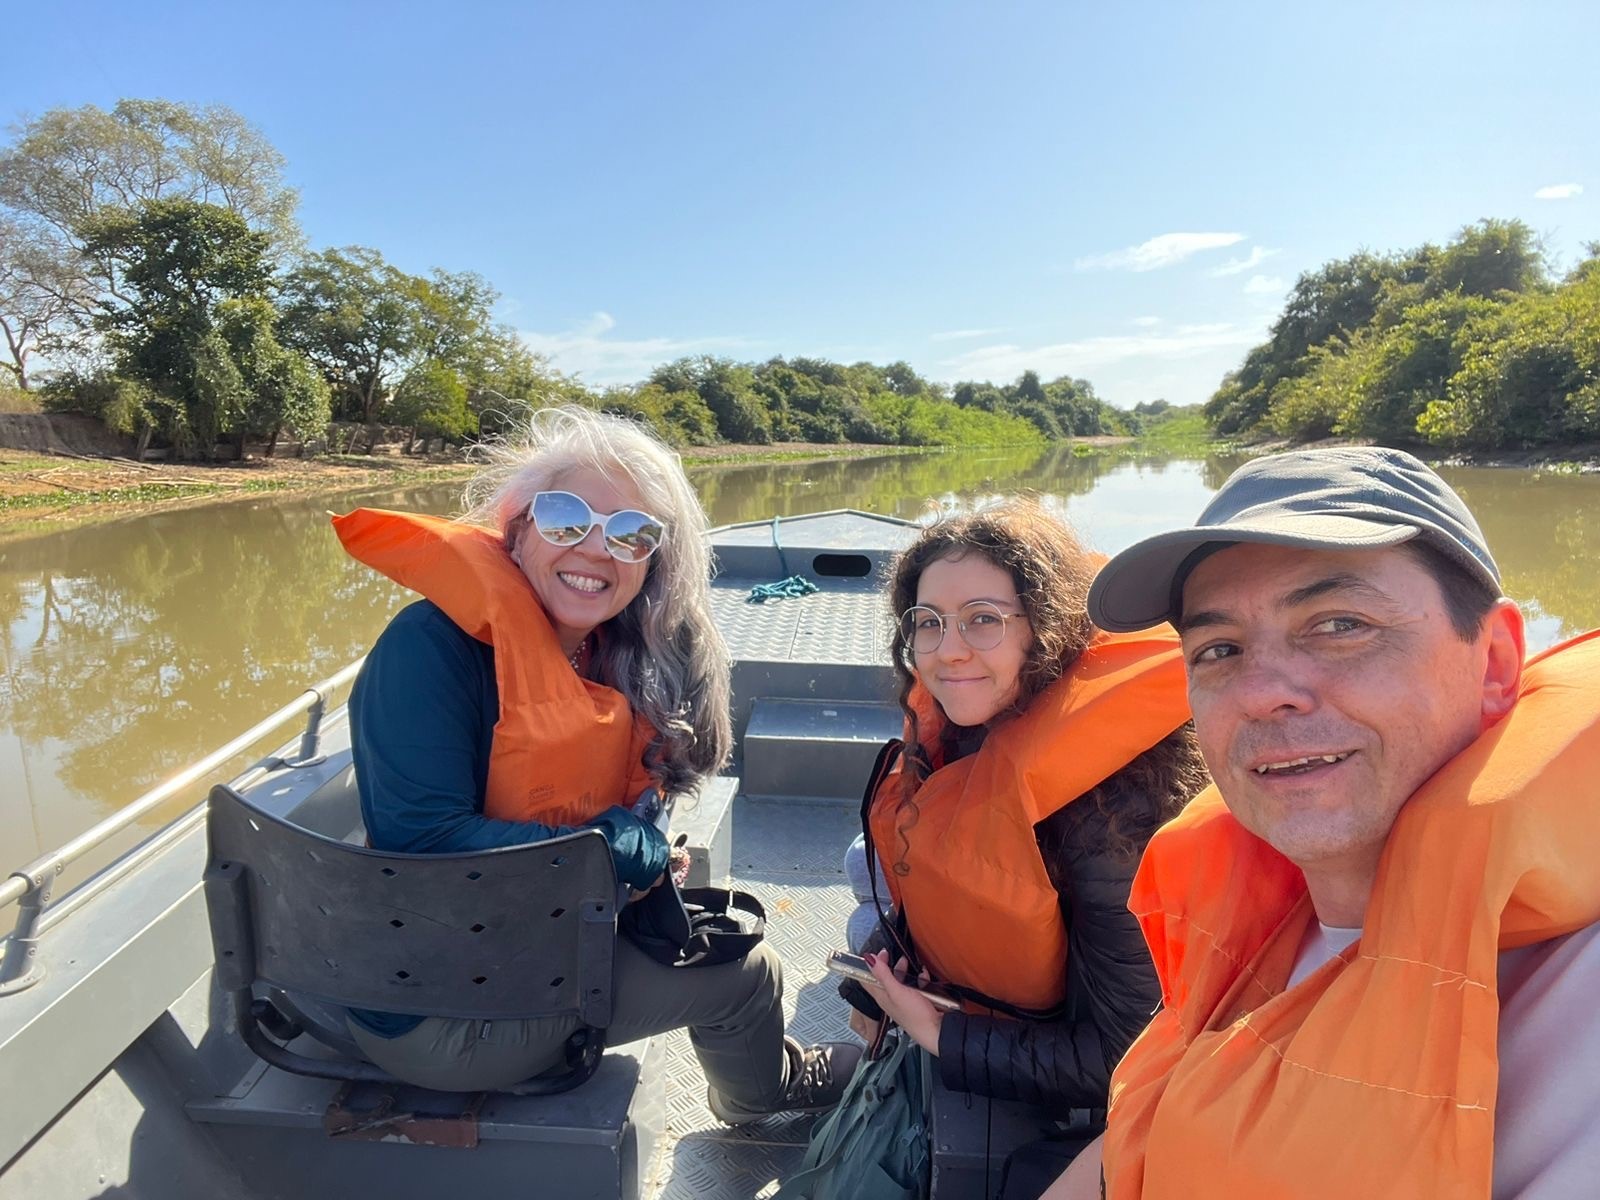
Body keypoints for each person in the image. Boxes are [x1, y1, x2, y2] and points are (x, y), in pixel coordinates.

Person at [1047, 446, 1600, 1200]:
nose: (1264, 693)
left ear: (1497, 662)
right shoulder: (1250, 919)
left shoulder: (1578, 1011)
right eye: (1219, 650)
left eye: (1340, 624)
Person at [333, 405, 860, 1119]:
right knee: (749, 971)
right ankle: (763, 1095)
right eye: (563, 519)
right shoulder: (430, 650)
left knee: (705, 916)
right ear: (515, 527)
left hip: (513, 945)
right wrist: (609, 849)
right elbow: (420, 846)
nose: (593, 550)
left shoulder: (600, 649)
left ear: (653, 560)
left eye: (630, 533)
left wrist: (635, 851)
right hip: (441, 1010)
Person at [839, 499, 1209, 1196]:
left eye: (984, 619)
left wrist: (939, 1037)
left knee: (863, 913)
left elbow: (1126, 1057)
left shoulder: (1115, 813)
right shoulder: (984, 713)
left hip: (1074, 1040)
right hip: (1009, 965)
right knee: (862, 881)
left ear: (1044, 628)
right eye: (930, 622)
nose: (949, 650)